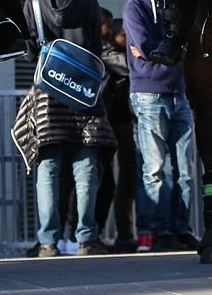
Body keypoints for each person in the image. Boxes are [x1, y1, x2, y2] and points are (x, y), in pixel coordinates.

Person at [19, 0, 109, 257]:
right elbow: (96, 52)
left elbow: (29, 51)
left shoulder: (32, 3)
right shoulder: (90, 3)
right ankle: (86, 238)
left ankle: (48, 242)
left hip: (47, 95)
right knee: (86, 167)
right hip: (83, 94)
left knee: (49, 167)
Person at [124, 0, 197, 254]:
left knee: (185, 169)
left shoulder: (174, 4)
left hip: (178, 92)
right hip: (148, 94)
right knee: (154, 169)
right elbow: (146, 47)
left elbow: (181, 45)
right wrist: (168, 54)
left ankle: (182, 227)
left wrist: (168, 55)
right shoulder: (134, 7)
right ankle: (157, 230)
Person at [95, 17, 136, 253]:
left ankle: (124, 232)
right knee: (106, 180)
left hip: (124, 121)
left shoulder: (118, 50)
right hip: (107, 121)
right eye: (124, 34)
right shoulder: (106, 51)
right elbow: (129, 66)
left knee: (129, 176)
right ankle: (96, 231)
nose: (129, 39)